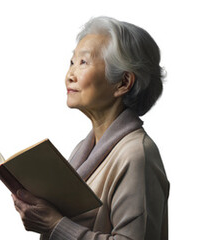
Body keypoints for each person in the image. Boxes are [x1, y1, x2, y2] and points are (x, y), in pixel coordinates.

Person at [11, 16, 169, 240]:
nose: (70, 76)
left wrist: (55, 225)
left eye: (83, 63)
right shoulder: (82, 149)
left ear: (123, 82)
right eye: (71, 63)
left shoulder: (137, 155)